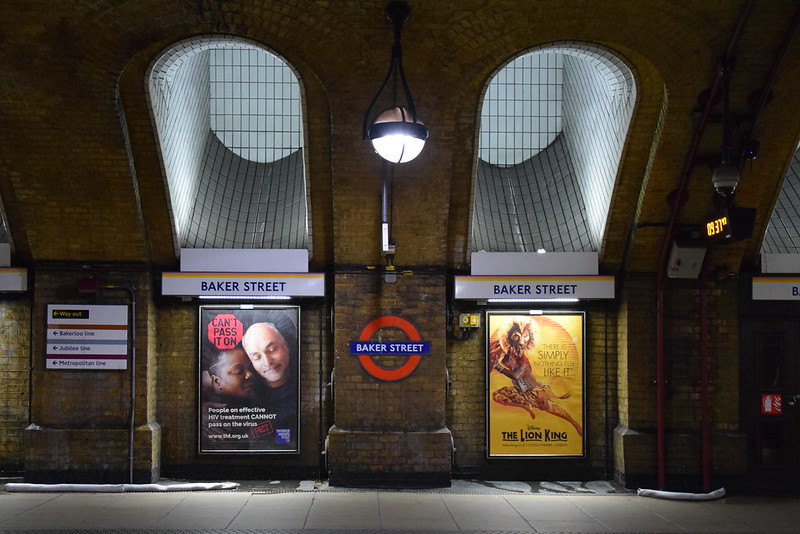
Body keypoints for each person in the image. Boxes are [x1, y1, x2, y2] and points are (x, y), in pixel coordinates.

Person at [241, 321, 298, 448]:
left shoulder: (304, 378)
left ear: (285, 345)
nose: (267, 362)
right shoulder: (246, 391)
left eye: (272, 350)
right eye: (256, 357)